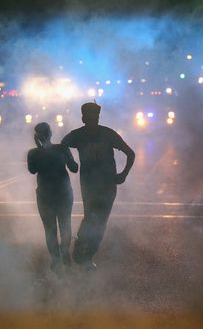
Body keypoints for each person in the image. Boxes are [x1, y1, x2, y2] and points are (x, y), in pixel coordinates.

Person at [62, 102, 135, 270]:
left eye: (93, 116)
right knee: (95, 219)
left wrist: (123, 174)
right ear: (85, 117)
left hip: (104, 184)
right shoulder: (92, 134)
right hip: (93, 184)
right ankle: (83, 252)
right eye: (90, 116)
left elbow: (130, 153)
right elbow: (63, 145)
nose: (92, 119)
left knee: (96, 219)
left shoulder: (103, 134)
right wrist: (71, 162)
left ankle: (86, 253)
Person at [27, 122, 78, 276]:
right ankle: (64, 254)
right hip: (62, 194)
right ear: (50, 133)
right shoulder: (61, 149)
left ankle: (56, 259)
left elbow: (32, 169)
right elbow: (74, 168)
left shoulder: (34, 153)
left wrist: (40, 149)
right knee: (65, 225)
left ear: (37, 136)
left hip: (45, 195)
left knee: (50, 229)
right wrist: (66, 152)